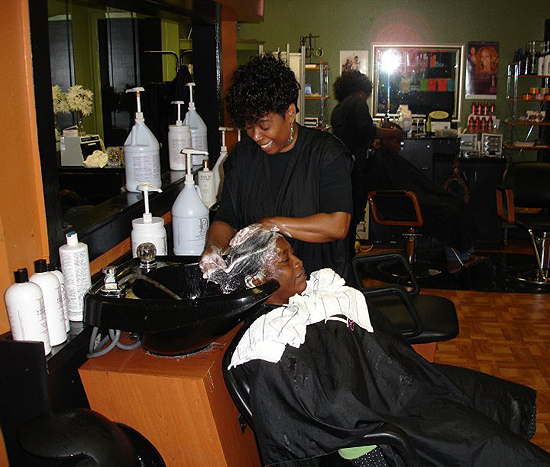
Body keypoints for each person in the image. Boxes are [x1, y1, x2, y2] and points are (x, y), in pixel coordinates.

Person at [213, 226, 550, 467]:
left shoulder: (313, 301)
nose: (299, 262)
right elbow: (334, 413)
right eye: (286, 260)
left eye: (293, 254)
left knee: (482, 397)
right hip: (387, 420)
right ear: (257, 280)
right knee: (483, 443)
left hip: (398, 386)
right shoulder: (272, 345)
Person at [199, 54, 353, 281]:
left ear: (289, 113)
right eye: (248, 126)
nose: (255, 136)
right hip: (262, 285)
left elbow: (337, 225)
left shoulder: (326, 154)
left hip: (318, 283)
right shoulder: (242, 157)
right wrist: (214, 249)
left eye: (264, 126)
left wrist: (271, 225)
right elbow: (226, 219)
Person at [365, 122, 483, 274]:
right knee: (449, 211)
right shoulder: (379, 160)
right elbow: (391, 190)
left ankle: (467, 253)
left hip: (408, 201)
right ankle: (454, 261)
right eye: (396, 141)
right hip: (400, 205)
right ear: (385, 139)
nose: (400, 146)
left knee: (456, 202)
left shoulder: (391, 158)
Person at [330, 71, 403, 257]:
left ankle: (342, 259)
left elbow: (352, 135)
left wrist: (369, 143)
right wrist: (393, 133)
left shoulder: (338, 109)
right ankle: (348, 261)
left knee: (343, 217)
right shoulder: (358, 102)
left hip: (340, 168)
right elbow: (367, 130)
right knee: (353, 215)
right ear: (361, 91)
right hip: (353, 170)